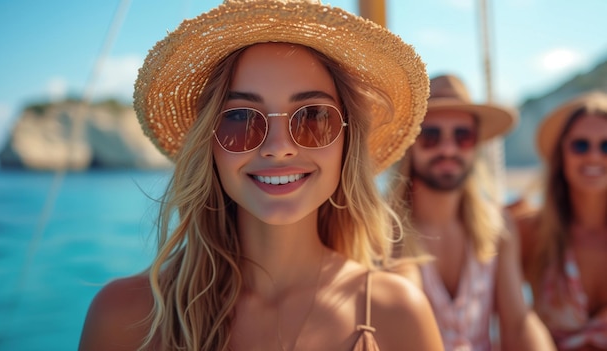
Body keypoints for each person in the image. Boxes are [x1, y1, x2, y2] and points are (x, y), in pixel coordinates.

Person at [78, 1, 444, 350]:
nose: (278, 146)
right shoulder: (123, 316)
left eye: (313, 116)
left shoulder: (399, 313)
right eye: (240, 117)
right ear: (209, 143)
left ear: (347, 141)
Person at [386, 74, 555, 350]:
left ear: (476, 145)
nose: (448, 148)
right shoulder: (380, 231)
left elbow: (518, 323)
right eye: (431, 136)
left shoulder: (498, 227)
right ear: (409, 144)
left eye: (462, 136)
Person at [516, 91, 607, 350]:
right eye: (580, 145)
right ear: (561, 155)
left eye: (606, 146)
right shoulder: (531, 232)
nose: (594, 156)